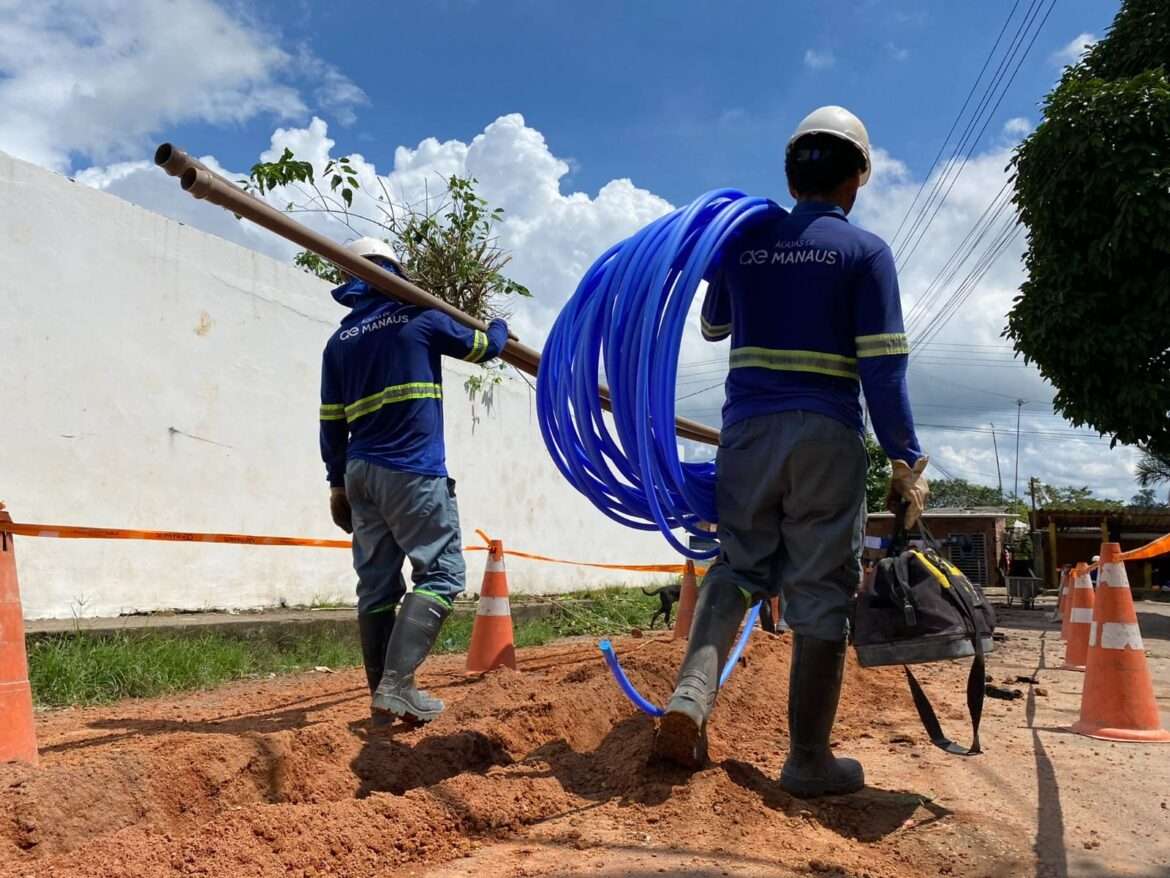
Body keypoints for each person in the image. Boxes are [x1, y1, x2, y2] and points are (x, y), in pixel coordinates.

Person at [652, 106, 929, 798]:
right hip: (827, 437)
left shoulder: (741, 244)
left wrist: (739, 263)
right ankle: (807, 759)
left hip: (747, 432)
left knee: (737, 566)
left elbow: (715, 325)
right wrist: (905, 460)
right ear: (857, 178)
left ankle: (690, 697)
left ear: (789, 171)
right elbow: (883, 369)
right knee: (820, 591)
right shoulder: (865, 253)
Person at [320, 237, 508, 724]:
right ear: (394, 274)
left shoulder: (338, 344)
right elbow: (486, 348)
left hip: (360, 474)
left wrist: (336, 485)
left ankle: (383, 695)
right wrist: (500, 327)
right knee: (442, 574)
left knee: (376, 588)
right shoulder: (419, 318)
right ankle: (398, 686)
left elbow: (330, 421)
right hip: (411, 469)